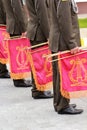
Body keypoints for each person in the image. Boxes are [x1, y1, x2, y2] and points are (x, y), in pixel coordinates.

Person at [48, 0, 83, 114]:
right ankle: (63, 105)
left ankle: (59, 102)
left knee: (58, 75)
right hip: (62, 40)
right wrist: (72, 43)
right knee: (62, 74)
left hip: (58, 38)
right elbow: (64, 19)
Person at [26, 0, 53, 99]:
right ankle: (37, 90)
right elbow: (43, 14)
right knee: (39, 63)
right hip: (39, 32)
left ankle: (37, 89)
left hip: (36, 30)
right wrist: (49, 35)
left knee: (37, 63)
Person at [2, 0, 32, 87]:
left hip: (13, 24)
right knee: (17, 54)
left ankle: (19, 78)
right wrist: (23, 28)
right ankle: (18, 80)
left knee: (15, 54)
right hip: (17, 26)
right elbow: (18, 9)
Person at [0, 0, 10, 78]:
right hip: (2, 23)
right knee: (2, 49)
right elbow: (4, 9)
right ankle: (2, 71)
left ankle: (2, 70)